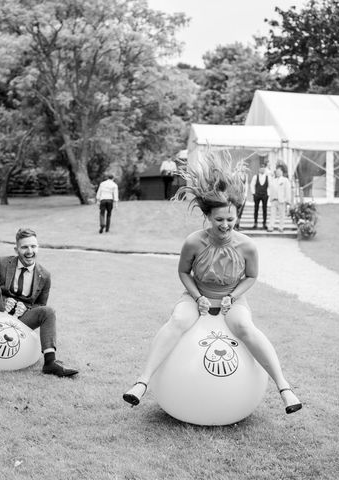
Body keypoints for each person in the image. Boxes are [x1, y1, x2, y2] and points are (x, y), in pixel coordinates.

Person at [122, 151, 302, 415]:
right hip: (197, 296)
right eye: (219, 220)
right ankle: (142, 382)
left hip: (233, 298)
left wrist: (233, 296)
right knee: (178, 321)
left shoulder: (248, 246)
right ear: (208, 217)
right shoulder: (193, 241)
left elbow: (251, 276)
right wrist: (197, 298)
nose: (226, 225)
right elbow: (184, 272)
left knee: (243, 326)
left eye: (230, 219)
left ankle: (284, 388)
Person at [0, 228, 78, 377]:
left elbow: (40, 305)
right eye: (24, 247)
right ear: (16, 249)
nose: (30, 251)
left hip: (22, 320)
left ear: (38, 247)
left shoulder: (45, 275)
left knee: (48, 311)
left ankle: (50, 362)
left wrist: (26, 308)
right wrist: (4, 299)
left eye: (33, 246)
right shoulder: (2, 263)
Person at [268, 165, 292, 232]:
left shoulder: (285, 180)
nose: (278, 173)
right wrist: (271, 198)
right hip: (274, 200)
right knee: (272, 214)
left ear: (282, 172)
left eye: (279, 171)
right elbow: (271, 190)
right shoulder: (273, 180)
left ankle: (281, 227)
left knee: (282, 215)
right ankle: (271, 226)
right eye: (277, 171)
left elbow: (287, 190)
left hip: (281, 200)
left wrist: (287, 200)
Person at [249, 165, 270, 229]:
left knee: (265, 209)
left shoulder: (267, 177)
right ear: (259, 169)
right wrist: (253, 193)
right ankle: (255, 223)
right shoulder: (255, 177)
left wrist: (268, 194)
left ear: (265, 170)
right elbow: (252, 185)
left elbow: (269, 186)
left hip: (264, 195)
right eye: (261, 168)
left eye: (263, 169)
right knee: (256, 209)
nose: (262, 170)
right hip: (257, 195)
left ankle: (264, 224)